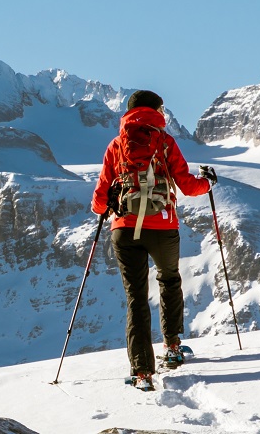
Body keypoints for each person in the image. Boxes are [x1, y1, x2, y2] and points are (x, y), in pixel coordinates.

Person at [89, 90, 215, 390]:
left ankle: (142, 372)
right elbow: (186, 184)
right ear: (157, 110)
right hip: (162, 226)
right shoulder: (165, 141)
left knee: (136, 297)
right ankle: (172, 348)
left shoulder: (117, 145)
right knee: (169, 280)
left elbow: (99, 201)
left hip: (123, 229)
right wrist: (208, 182)